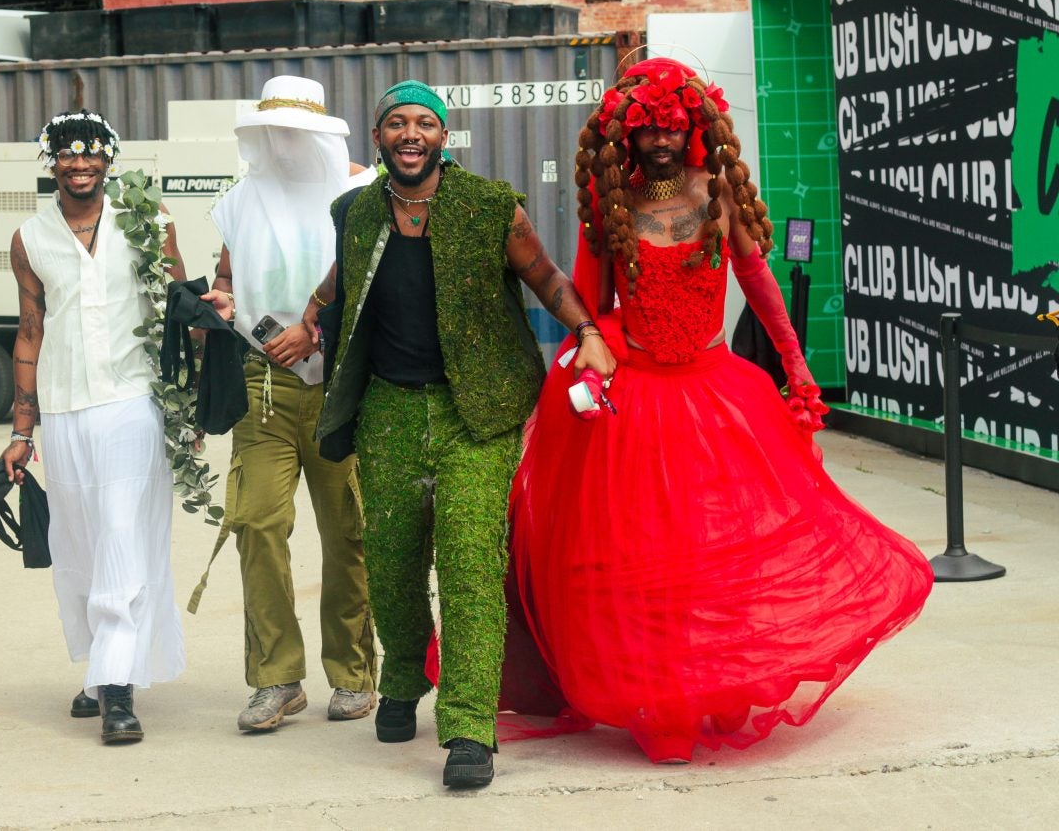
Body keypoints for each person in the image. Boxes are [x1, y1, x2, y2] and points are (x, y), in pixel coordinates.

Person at [503, 57, 934, 763]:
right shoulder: (611, 206)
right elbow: (588, 303)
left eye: (673, 128)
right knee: (642, 557)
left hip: (718, 397)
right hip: (635, 404)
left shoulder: (718, 196)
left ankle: (720, 684)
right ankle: (663, 699)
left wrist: (797, 367)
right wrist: (579, 367)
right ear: (628, 138)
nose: (662, 142)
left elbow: (760, 280)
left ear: (693, 128)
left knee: (717, 550)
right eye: (649, 131)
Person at [302, 80, 616, 789]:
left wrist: (588, 331)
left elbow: (545, 275)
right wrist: (306, 318)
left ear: (445, 136)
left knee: (471, 561)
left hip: (478, 410)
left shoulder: (487, 207)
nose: (410, 134)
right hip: (385, 410)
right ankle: (406, 674)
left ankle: (470, 725)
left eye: (424, 124)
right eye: (396, 124)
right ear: (378, 138)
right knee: (391, 561)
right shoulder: (355, 213)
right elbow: (340, 282)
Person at [0, 110, 188, 745]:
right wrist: (23, 430)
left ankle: (116, 689)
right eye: (66, 154)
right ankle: (96, 667)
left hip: (134, 402)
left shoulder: (150, 224)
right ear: (49, 160)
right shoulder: (30, 238)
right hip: (65, 409)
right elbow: (30, 332)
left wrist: (185, 413)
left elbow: (179, 319)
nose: (80, 164)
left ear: (110, 159)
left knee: (120, 536)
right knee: (78, 544)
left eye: (91, 153)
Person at [198, 76, 378, 733]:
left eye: (298, 129)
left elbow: (373, 285)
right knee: (258, 526)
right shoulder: (242, 201)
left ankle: (355, 674)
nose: (286, 141)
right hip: (262, 386)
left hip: (340, 386)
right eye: (275, 128)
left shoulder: (360, 192)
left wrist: (315, 329)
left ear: (322, 132)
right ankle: (276, 679)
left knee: (348, 531)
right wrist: (220, 301)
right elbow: (226, 276)